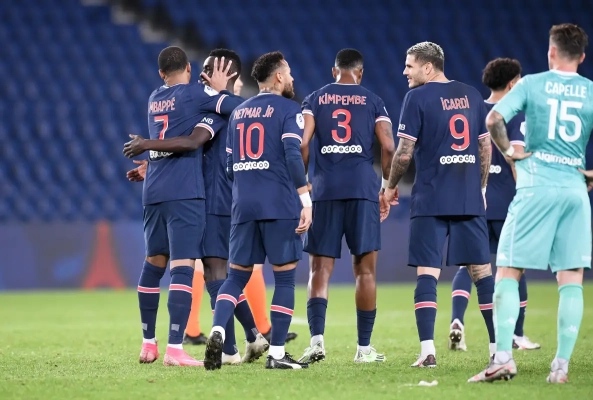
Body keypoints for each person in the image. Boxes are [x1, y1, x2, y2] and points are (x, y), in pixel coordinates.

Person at [469, 23, 593, 384]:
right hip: (574, 190)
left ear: (551, 51)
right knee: (571, 280)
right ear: (582, 57)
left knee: (508, 272)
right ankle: (560, 367)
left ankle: (503, 359)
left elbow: (494, 118)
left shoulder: (532, 84)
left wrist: (509, 151)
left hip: (535, 187)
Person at [125, 49, 271, 365]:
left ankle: (236, 344)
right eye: (202, 70)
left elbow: (193, 140)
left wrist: (219, 92)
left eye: (210, 71)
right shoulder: (206, 104)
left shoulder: (221, 109)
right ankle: (247, 339)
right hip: (198, 194)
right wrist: (154, 161)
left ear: (229, 76)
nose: (204, 77)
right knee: (216, 274)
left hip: (214, 197)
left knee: (216, 272)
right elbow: (184, 139)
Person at [383, 41, 496, 368]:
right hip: (468, 198)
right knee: (482, 274)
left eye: (409, 65)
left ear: (428, 67)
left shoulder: (416, 98)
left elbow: (404, 153)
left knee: (427, 274)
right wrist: (482, 188)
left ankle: (428, 351)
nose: (404, 71)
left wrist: (389, 187)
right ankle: (497, 350)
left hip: (431, 198)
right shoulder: (472, 95)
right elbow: (484, 147)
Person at [204, 51, 312, 370]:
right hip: (278, 204)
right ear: (278, 76)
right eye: (288, 72)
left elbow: (228, 167)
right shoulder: (289, 110)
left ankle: (218, 330)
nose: (291, 78)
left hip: (243, 206)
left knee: (235, 277)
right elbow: (293, 154)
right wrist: (305, 199)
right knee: (285, 278)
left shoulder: (238, 113)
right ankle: (277, 354)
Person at [297, 48, 396, 364]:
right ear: (360, 72)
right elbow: (389, 146)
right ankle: (363, 349)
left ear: (334, 71)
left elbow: (302, 142)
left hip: (325, 190)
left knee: (319, 269)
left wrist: (305, 183)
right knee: (365, 271)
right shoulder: (374, 101)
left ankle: (316, 343)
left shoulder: (314, 99)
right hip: (362, 190)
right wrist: (386, 188)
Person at [449, 58, 540, 352]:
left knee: (469, 265)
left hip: (475, 201)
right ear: (512, 83)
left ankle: (457, 320)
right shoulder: (513, 113)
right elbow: (515, 156)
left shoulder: (472, 110)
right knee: (514, 266)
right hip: (507, 203)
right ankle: (516, 334)